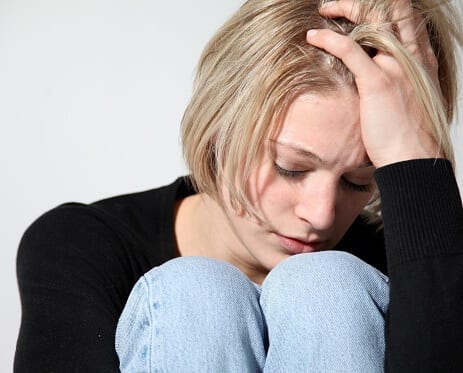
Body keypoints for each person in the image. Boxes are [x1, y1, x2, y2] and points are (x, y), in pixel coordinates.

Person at [14, 0, 463, 371]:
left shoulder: (406, 261)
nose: (321, 214)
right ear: (219, 129)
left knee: (328, 285)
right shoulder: (85, 245)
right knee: (197, 294)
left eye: (358, 181)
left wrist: (415, 158)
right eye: (290, 167)